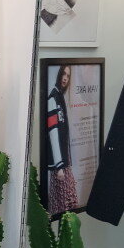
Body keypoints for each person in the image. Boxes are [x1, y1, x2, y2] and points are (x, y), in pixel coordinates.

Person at [46, 64, 78, 216]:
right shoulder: (53, 98)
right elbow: (53, 131)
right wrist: (59, 165)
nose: (65, 78)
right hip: (59, 164)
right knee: (64, 204)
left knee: (68, 204)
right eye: (63, 74)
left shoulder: (59, 97)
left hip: (64, 161)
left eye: (68, 76)